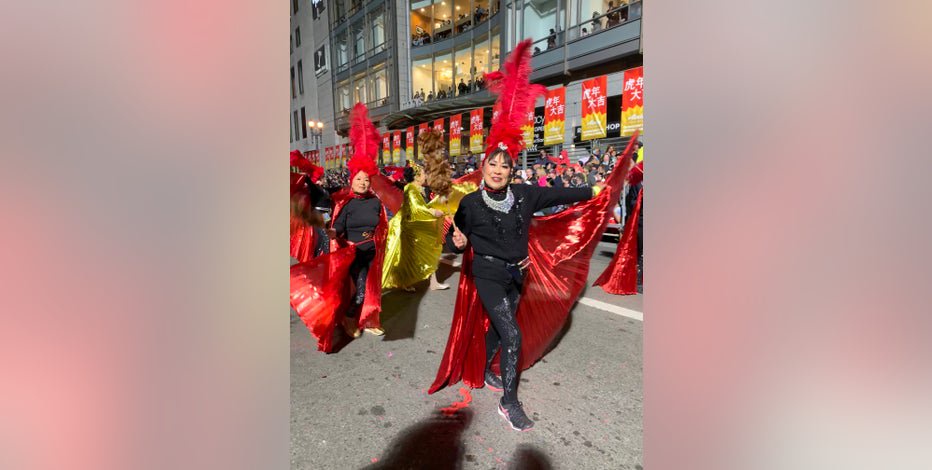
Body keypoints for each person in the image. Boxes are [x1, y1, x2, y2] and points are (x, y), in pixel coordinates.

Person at [429, 39, 628, 432]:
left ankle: (486, 369)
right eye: (493, 164)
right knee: (512, 332)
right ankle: (509, 401)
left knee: (499, 330)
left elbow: (564, 193)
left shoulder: (525, 193)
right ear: (484, 167)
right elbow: (456, 238)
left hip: (517, 274)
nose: (499, 170)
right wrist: (455, 243)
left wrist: (597, 189)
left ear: (512, 169)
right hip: (485, 273)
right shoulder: (469, 202)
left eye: (505, 165)